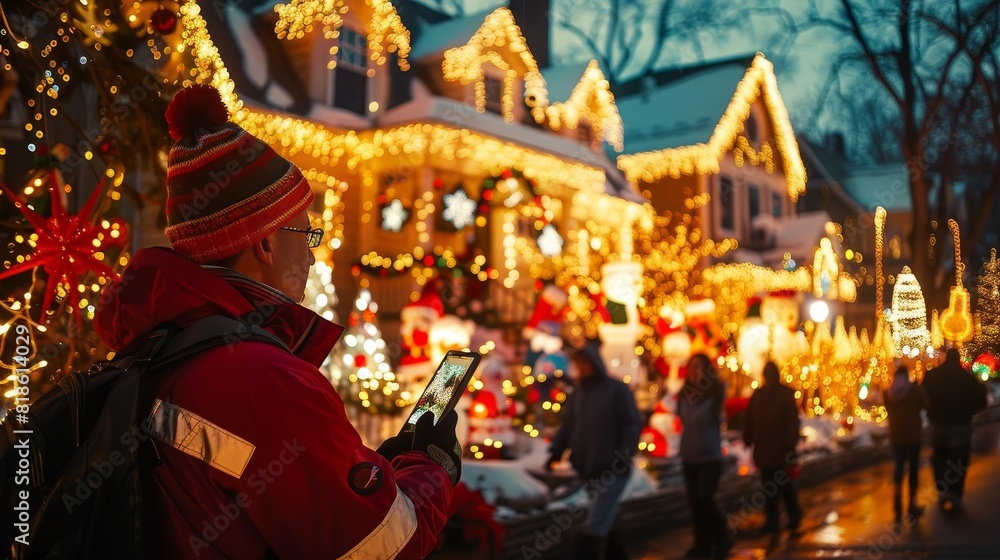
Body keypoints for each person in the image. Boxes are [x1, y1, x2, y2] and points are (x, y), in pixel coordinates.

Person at [93, 85, 458, 559]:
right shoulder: (262, 379)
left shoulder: (162, 346)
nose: (310, 252)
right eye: (304, 232)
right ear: (264, 244)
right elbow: (381, 547)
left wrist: (365, 478)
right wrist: (431, 467)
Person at [547, 341, 641, 560]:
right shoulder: (579, 392)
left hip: (612, 469)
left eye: (582, 363)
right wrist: (556, 450)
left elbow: (631, 424)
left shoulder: (615, 389)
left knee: (595, 525)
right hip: (589, 468)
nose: (579, 368)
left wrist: (623, 455)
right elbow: (569, 425)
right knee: (605, 520)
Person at [677, 354, 733, 560]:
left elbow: (719, 415)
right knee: (695, 502)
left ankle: (722, 539)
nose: (695, 371)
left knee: (706, 499)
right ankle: (702, 542)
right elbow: (680, 419)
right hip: (689, 455)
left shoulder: (714, 394)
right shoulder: (683, 395)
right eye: (692, 367)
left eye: (699, 367)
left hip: (710, 456)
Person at [921, 348, 988, 511]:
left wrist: (931, 411)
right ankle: (955, 492)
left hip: (939, 425)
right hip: (960, 425)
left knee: (940, 457)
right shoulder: (966, 378)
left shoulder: (933, 376)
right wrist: (970, 410)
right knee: (958, 460)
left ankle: (942, 489)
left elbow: (923, 396)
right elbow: (982, 399)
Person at [743, 362, 802, 542]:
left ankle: (793, 517)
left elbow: (792, 422)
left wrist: (791, 447)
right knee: (769, 489)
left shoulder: (784, 395)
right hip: (765, 450)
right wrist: (748, 438)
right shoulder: (759, 395)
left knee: (783, 487)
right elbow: (750, 418)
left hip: (780, 451)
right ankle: (773, 521)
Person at [883, 364, 926, 520]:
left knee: (899, 467)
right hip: (913, 434)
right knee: (913, 469)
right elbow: (926, 405)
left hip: (896, 434)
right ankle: (912, 504)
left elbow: (887, 409)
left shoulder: (888, 392)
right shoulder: (915, 390)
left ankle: (897, 503)